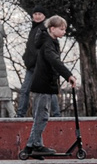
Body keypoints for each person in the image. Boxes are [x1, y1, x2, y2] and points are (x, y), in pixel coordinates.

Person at [23, 15, 74, 155]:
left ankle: (36, 145)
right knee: (42, 116)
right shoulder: (48, 44)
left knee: (41, 114)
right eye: (62, 29)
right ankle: (30, 146)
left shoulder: (51, 41)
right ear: (52, 29)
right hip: (43, 84)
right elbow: (55, 61)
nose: (64, 31)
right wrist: (68, 75)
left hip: (46, 83)